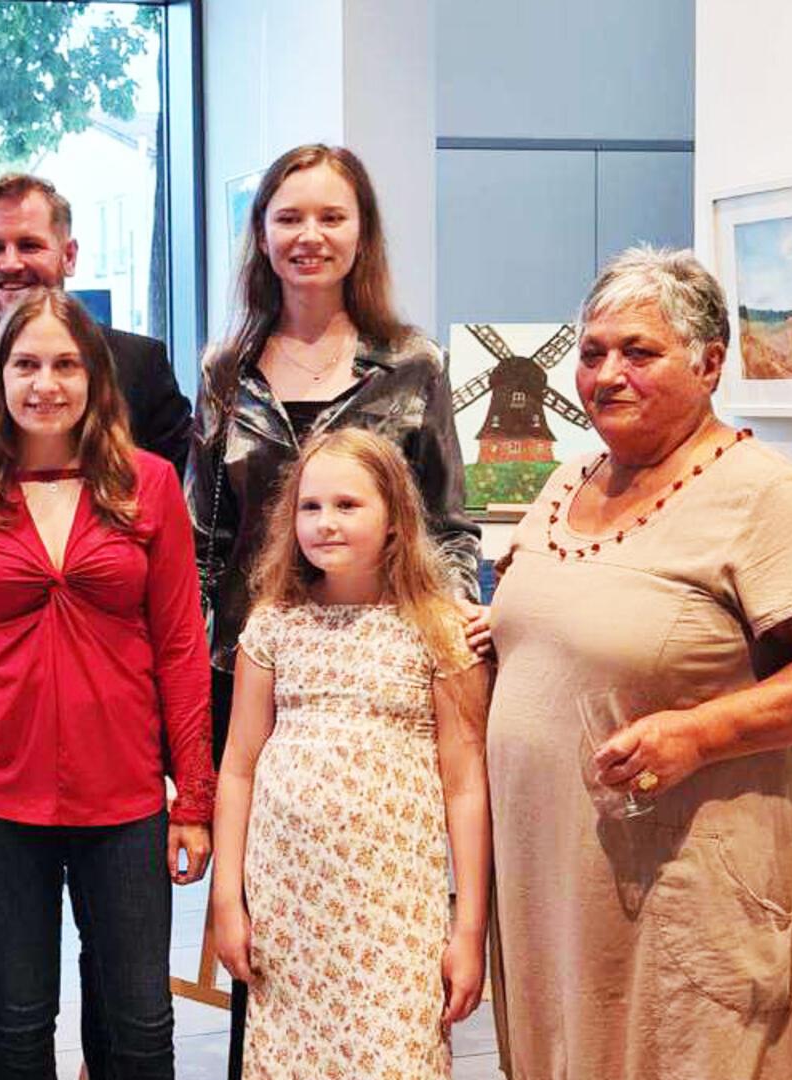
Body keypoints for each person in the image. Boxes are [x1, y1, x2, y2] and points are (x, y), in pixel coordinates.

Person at [486, 246, 792, 1079]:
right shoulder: (573, 477)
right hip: (567, 892)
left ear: (711, 364)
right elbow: (570, 622)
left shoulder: (766, 499)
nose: (607, 374)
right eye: (593, 351)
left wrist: (702, 733)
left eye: (640, 352)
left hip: (692, 895)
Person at [0, 173, 191, 1079]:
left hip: (125, 795)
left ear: (96, 377)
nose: (46, 382)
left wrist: (197, 799)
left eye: (65, 365)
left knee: (139, 1027)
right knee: (14, 1026)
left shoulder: (147, 486)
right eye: (26, 365)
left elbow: (178, 644)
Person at [185, 144, 482, 1071]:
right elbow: (204, 543)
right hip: (256, 676)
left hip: (391, 675)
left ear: (362, 233)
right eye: (289, 218)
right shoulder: (226, 369)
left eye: (330, 217)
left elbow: (452, 527)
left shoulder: (414, 366)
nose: (309, 236)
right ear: (262, 236)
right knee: (265, 970)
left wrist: (459, 630)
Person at [207, 428, 490, 1079]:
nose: (326, 523)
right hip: (290, 910)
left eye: (348, 505)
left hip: (392, 914)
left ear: (395, 518)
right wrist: (228, 899)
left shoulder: (439, 627)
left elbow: (466, 782)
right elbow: (241, 767)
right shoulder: (275, 624)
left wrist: (468, 928)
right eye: (311, 507)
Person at [0, 172, 192, 487]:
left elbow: (178, 500)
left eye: (29, 246)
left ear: (69, 257)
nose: (11, 264)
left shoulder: (140, 368)